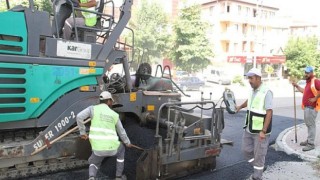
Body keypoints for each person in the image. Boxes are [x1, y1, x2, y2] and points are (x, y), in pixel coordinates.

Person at [76, 91, 132, 180]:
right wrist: (127, 142)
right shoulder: (114, 115)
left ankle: (91, 177)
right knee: (122, 150)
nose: (112, 103)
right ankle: (118, 177)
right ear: (109, 101)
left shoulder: (92, 109)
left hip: (97, 148)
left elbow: (79, 117)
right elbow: (121, 132)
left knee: (94, 161)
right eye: (111, 101)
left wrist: (83, 133)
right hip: (113, 148)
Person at [236, 68, 273, 180]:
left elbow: (269, 112)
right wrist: (240, 107)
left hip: (260, 131)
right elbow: (249, 100)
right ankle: (259, 167)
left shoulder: (266, 92)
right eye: (248, 78)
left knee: (259, 155)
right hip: (249, 127)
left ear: (258, 78)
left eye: (251, 78)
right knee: (246, 151)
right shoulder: (252, 90)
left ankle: (257, 176)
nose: (249, 81)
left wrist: (263, 131)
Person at [292, 66, 320, 151]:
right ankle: (308, 140)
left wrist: (315, 98)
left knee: (311, 125)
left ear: (312, 73)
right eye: (305, 72)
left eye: (308, 73)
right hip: (307, 108)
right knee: (309, 125)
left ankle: (311, 144)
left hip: (312, 107)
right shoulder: (308, 82)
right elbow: (303, 91)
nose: (306, 74)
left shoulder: (315, 81)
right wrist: (297, 86)